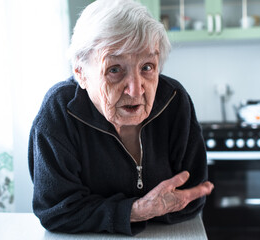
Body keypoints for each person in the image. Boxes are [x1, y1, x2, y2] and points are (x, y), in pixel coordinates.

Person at [28, 0, 213, 236]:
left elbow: (191, 197)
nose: (136, 90)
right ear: (81, 73)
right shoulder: (58, 111)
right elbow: (56, 210)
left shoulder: (174, 100)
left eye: (147, 67)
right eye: (114, 69)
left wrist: (99, 213)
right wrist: (135, 211)